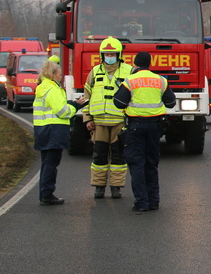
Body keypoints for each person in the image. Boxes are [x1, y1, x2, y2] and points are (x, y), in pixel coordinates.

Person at [113, 52, 175, 212]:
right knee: (151, 164)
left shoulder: (130, 80)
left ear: (135, 64)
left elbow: (119, 103)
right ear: (150, 64)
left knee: (136, 164)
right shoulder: (161, 80)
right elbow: (171, 102)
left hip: (136, 127)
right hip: (155, 127)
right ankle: (154, 202)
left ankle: (141, 202)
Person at [84, 37, 133, 199]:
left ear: (119, 55)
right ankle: (99, 187)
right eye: (106, 54)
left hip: (120, 122)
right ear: (102, 55)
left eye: (112, 53)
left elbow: (135, 96)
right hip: (99, 123)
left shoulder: (129, 71)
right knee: (99, 155)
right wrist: (87, 118)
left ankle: (116, 187)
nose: (109, 56)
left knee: (119, 156)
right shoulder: (94, 71)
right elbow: (86, 97)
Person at [33, 59, 85, 205]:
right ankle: (47, 195)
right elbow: (62, 111)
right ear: (53, 74)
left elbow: (56, 106)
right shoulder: (53, 90)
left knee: (46, 163)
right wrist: (75, 108)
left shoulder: (44, 87)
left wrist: (75, 103)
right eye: (59, 74)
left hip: (43, 130)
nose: (61, 76)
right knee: (51, 164)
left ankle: (44, 193)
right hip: (53, 130)